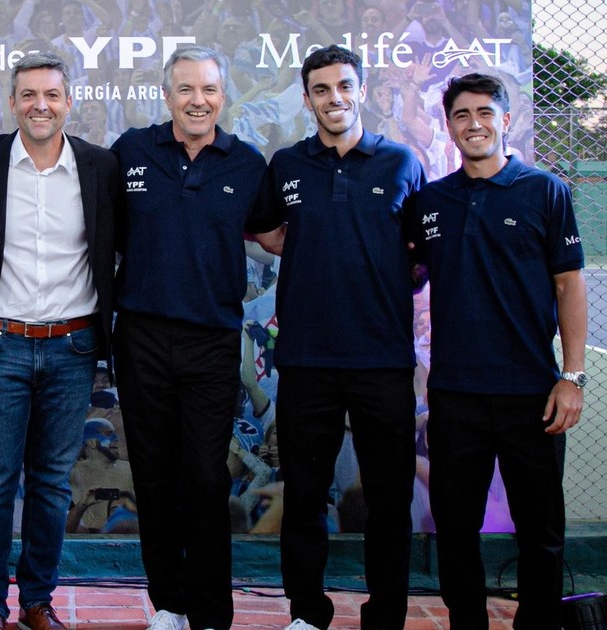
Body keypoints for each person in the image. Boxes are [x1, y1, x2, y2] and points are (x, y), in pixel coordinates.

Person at [248, 45, 427, 630]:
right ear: (307, 99)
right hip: (307, 361)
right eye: (321, 89)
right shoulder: (286, 164)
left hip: (383, 362)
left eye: (344, 85)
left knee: (388, 498)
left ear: (362, 90)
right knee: (304, 494)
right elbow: (268, 231)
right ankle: (308, 613)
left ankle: (387, 614)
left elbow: (421, 252)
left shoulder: (401, 162)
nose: (334, 98)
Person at [413, 72, 587, 630]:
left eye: (485, 112)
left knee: (541, 531)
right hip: (454, 396)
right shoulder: (431, 201)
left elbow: (569, 284)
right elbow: (408, 274)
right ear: (448, 125)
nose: (474, 124)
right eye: (462, 115)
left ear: (505, 120)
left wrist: (572, 377)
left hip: (532, 395)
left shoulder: (545, 191)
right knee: (454, 529)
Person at [0, 51, 119, 630]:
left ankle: (36, 600)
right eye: (28, 94)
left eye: (51, 94)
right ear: (11, 102)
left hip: (73, 349)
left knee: (51, 485)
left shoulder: (101, 167)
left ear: (69, 102)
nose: (40, 105)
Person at [111, 45, 268, 630]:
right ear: (167, 95)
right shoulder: (131, 151)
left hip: (212, 342)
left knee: (205, 478)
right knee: (153, 477)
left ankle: (210, 612)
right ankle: (168, 605)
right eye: (185, 89)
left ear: (222, 95)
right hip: (142, 339)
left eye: (208, 89)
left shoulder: (247, 164)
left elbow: (273, 235)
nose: (197, 101)